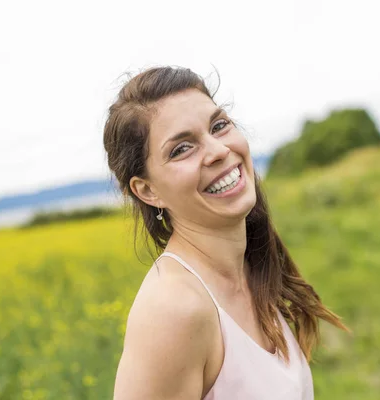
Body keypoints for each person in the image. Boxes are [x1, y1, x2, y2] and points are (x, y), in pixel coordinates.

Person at [103, 66, 348, 400]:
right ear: (147, 190)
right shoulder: (174, 310)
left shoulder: (247, 271)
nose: (218, 150)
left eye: (218, 126)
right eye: (182, 149)